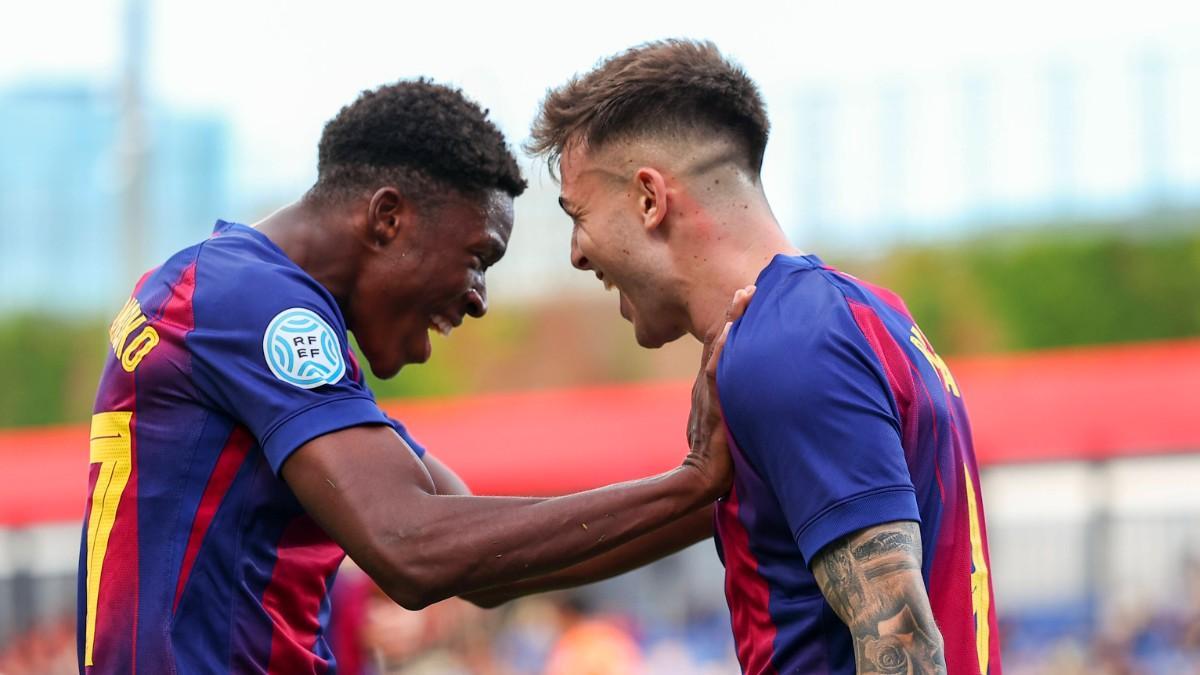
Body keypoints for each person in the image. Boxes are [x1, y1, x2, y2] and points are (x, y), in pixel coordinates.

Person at [78, 78, 736, 674]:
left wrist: (723, 495)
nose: (479, 297)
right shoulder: (250, 301)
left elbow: (476, 562)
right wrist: (691, 482)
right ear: (388, 217)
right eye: (478, 257)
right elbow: (411, 549)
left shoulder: (250, 311)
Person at [516, 40, 1002, 674]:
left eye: (577, 216)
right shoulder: (868, 313)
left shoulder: (787, 347)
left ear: (648, 199)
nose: (577, 254)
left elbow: (904, 645)